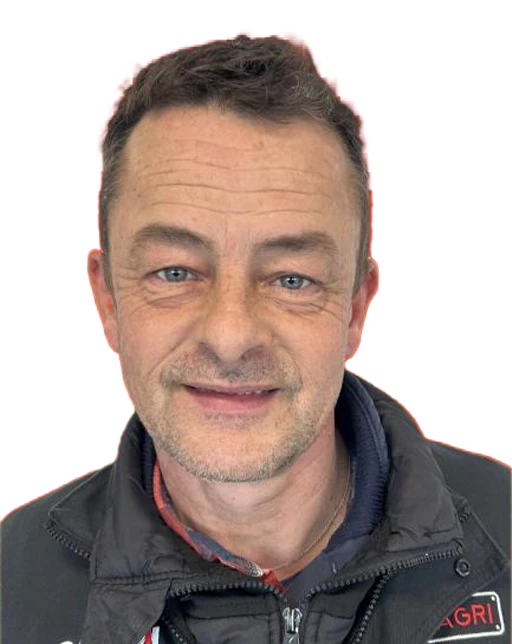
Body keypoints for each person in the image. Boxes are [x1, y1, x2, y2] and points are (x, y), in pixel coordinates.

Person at [2, 33, 510, 644]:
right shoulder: (11, 584)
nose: (231, 335)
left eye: (292, 279)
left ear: (355, 306)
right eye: (175, 272)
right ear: (108, 297)